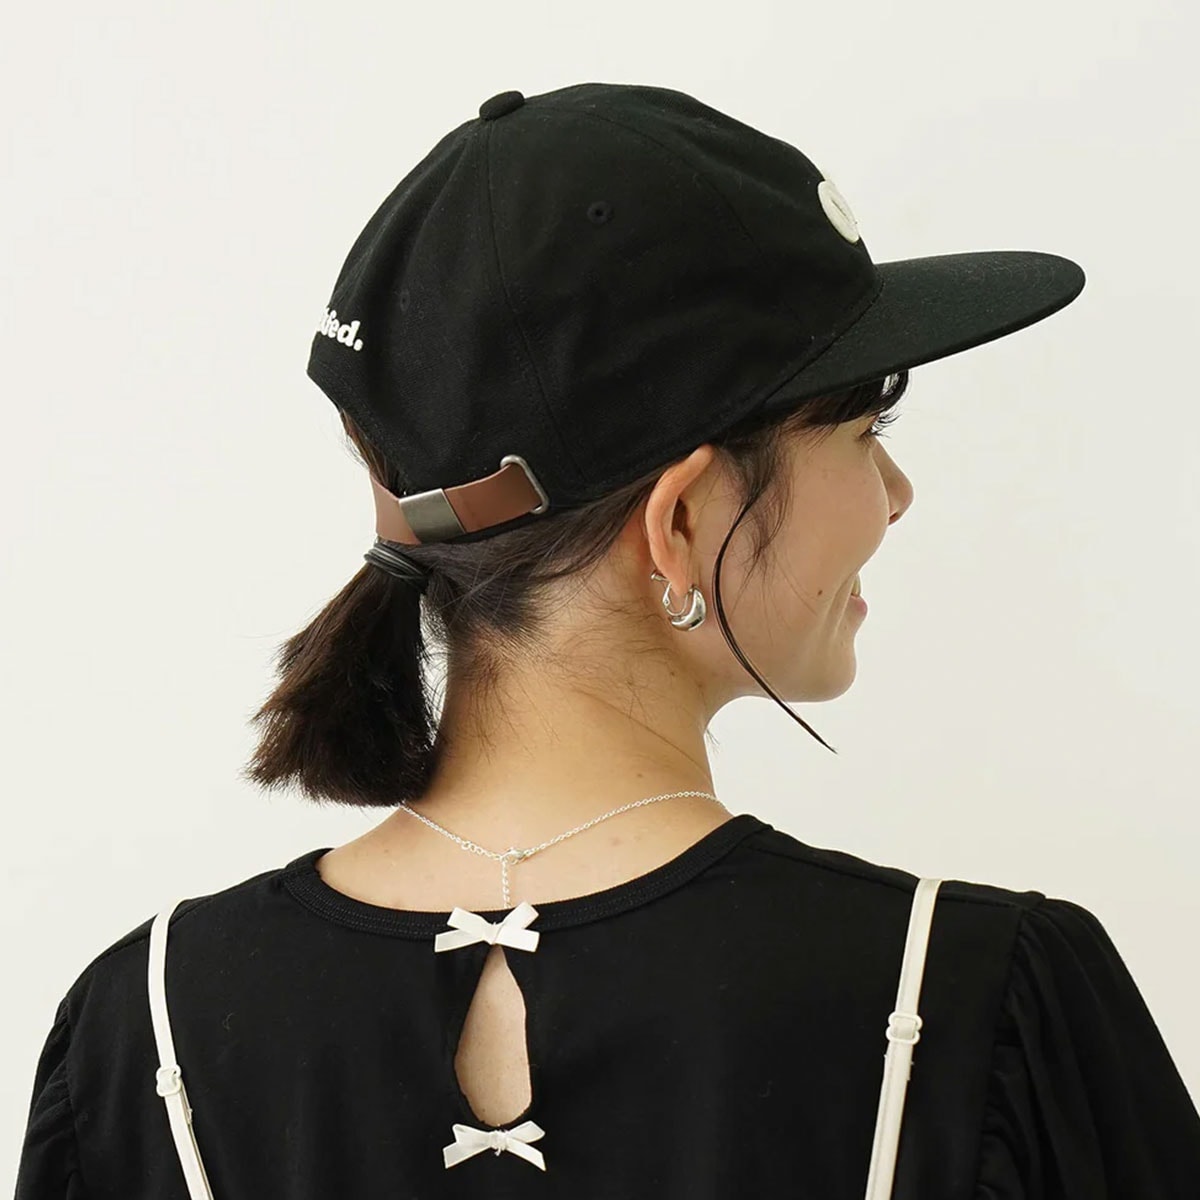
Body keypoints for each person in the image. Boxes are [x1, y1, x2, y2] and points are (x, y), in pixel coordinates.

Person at [15, 81, 1200, 1199]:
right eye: (861, 431)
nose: (895, 496)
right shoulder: (976, 1003)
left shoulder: (146, 1028)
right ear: (682, 522)